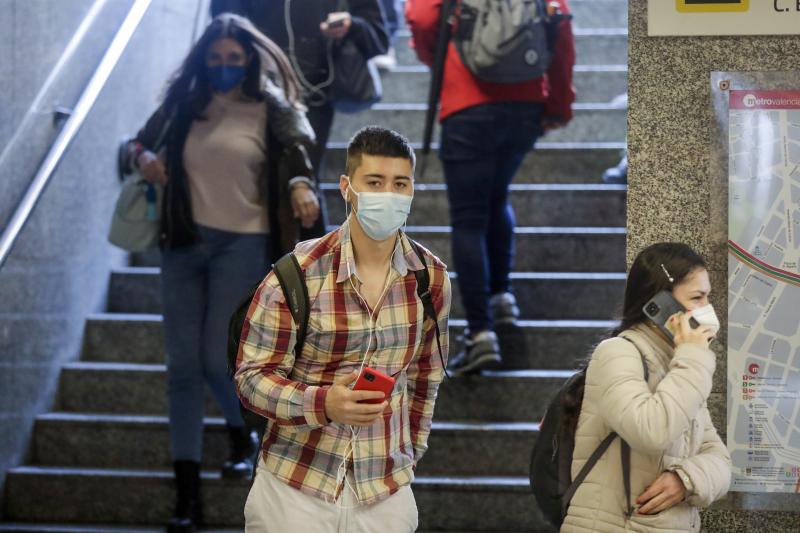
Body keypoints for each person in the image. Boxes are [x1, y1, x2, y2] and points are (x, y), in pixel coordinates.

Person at [122, 14, 319, 532]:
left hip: (244, 243)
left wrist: (302, 184)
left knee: (216, 356)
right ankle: (186, 497)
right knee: (180, 367)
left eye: (234, 60)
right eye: (216, 59)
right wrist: (142, 157)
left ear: (250, 61)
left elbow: (300, 150)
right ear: (202, 60)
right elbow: (132, 146)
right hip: (183, 244)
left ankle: (240, 431)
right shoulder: (184, 105)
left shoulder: (270, 108)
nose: (225, 67)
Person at [234, 126, 451, 533]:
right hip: (294, 486)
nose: (388, 194)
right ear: (347, 188)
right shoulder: (296, 273)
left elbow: (426, 375)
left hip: (384, 491)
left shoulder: (431, 279)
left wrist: (411, 453)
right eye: (375, 182)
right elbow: (250, 378)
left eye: (400, 184)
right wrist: (323, 404)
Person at [406, 0, 576, 375]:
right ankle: (501, 297)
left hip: (466, 103)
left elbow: (420, 17)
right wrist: (560, 102)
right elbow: (561, 27)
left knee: (469, 218)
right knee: (496, 195)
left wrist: (439, 54)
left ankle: (480, 333)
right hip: (526, 102)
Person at [561, 242, 731, 532]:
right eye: (697, 297)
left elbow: (720, 459)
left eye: (708, 297)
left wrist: (686, 479)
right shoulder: (618, 353)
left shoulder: (679, 362)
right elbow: (650, 431)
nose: (707, 310)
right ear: (661, 305)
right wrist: (694, 354)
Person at [210, 0, 390, 237]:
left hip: (313, 96)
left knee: (302, 182)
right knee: (252, 182)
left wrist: (350, 26)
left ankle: (311, 268)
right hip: (250, 91)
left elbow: (378, 38)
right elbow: (220, 24)